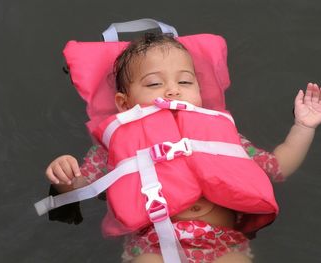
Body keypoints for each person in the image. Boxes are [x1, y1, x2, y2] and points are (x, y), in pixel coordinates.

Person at [45, 34, 321, 263]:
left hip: (223, 242)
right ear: (124, 103)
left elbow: (278, 166)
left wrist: (304, 127)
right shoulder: (114, 145)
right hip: (152, 244)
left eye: (185, 82)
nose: (173, 90)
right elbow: (80, 187)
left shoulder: (222, 135)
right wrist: (64, 178)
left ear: (199, 92)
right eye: (154, 83)